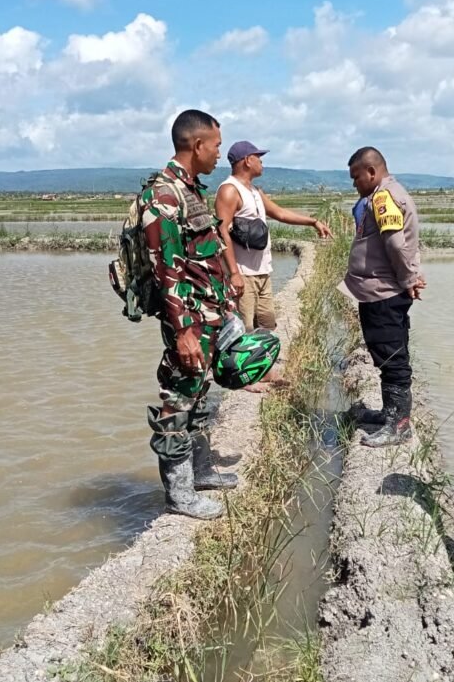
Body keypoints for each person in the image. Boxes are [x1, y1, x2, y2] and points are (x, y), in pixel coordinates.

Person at [141, 109, 238, 520]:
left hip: (207, 315)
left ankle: (198, 473)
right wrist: (183, 331)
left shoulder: (190, 190)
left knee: (198, 397)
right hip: (189, 322)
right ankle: (179, 496)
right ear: (197, 145)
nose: (219, 153)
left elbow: (202, 259)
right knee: (178, 400)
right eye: (216, 145)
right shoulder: (163, 195)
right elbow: (167, 271)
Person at [342, 146, 424, 447]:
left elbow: (395, 244)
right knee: (387, 352)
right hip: (381, 290)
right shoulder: (384, 195)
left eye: (356, 177)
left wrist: (408, 278)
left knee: (392, 356)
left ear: (372, 172)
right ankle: (391, 413)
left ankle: (398, 425)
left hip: (384, 292)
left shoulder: (383, 197)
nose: (354, 184)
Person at [215, 139, 332, 332]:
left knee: (268, 326)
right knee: (244, 330)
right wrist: (234, 273)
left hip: (262, 273)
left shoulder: (254, 191)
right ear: (247, 160)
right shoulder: (229, 190)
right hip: (243, 275)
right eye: (258, 157)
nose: (262, 162)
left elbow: (280, 213)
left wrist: (313, 222)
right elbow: (221, 232)